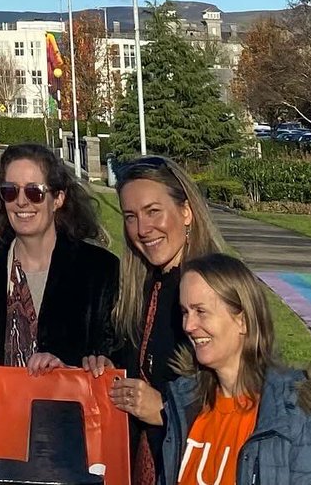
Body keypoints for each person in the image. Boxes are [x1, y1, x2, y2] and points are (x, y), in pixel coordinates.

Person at [83, 155, 225, 485]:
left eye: (153, 212)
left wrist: (164, 410)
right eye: (131, 217)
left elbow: (243, 397)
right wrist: (107, 369)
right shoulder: (140, 288)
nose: (142, 230)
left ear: (186, 212)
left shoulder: (216, 290)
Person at [159, 253, 311, 485]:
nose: (188, 326)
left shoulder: (295, 418)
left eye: (201, 311)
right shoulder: (184, 405)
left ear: (243, 320)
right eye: (184, 312)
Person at [0, 143, 118, 378]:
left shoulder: (99, 270)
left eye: (34, 192)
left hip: (69, 410)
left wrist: (69, 370)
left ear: (58, 199)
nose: (22, 202)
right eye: (10, 191)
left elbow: (112, 356)